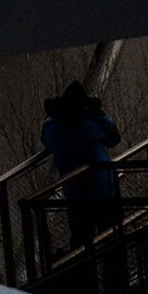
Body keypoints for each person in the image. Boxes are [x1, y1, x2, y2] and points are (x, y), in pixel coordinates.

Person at [41, 81, 121, 254]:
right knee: (111, 239)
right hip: (103, 189)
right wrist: (99, 113)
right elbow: (114, 137)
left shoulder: (53, 130)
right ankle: (116, 277)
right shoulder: (89, 124)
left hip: (76, 194)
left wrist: (54, 113)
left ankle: (86, 279)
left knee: (82, 244)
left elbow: (45, 136)